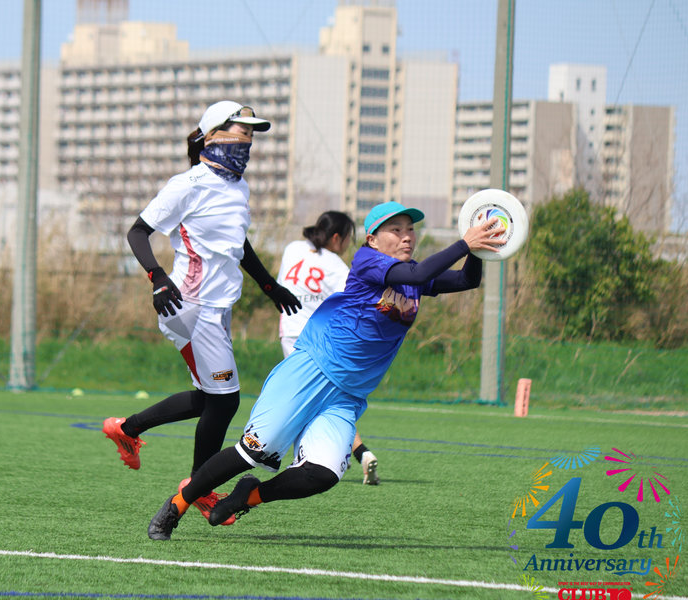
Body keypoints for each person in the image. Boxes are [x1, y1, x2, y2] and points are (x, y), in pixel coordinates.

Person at [147, 201, 507, 540]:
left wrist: (478, 250)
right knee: (253, 452)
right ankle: (177, 505)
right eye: (396, 229)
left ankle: (248, 496)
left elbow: (466, 281)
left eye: (410, 229)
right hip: (312, 371)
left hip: (347, 395)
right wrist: (465, 242)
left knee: (323, 473)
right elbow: (422, 271)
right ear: (372, 239)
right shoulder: (368, 261)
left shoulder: (413, 277)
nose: (407, 236)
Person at [102, 100, 301, 527]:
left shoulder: (239, 187)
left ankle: (127, 429)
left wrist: (270, 286)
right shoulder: (187, 184)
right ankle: (199, 488)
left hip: (217, 309)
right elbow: (138, 232)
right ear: (211, 135)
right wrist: (157, 277)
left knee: (211, 398)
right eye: (241, 131)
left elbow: (238, 245)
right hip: (188, 306)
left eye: (252, 135)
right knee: (225, 401)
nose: (247, 140)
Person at [277, 211, 379, 485]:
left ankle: (335, 453)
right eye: (348, 238)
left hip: (291, 332)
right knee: (324, 399)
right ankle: (356, 452)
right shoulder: (336, 266)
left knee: (307, 398)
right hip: (320, 338)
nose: (347, 244)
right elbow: (357, 302)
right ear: (336, 238)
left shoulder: (292, 249)